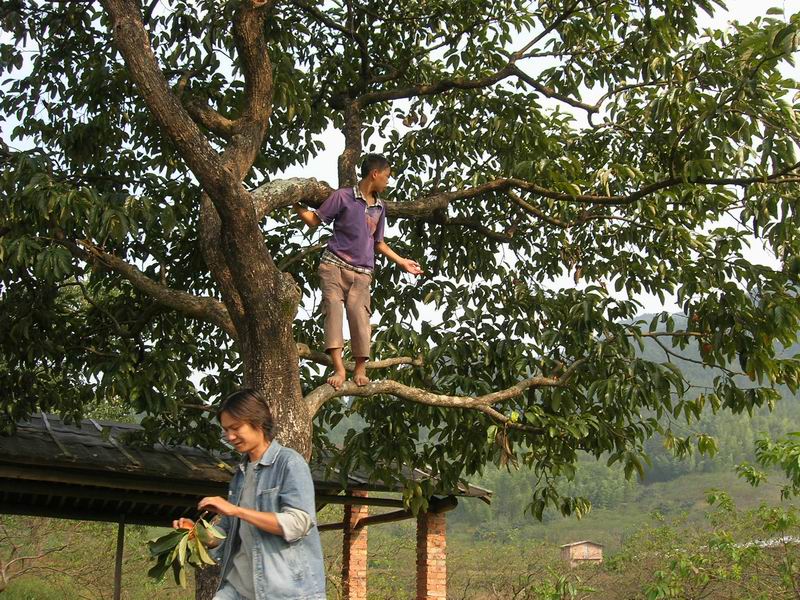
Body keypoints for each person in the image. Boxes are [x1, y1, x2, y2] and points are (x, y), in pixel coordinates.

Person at [173, 389, 326, 600]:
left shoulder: (289, 463)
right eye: (226, 430)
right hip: (239, 590)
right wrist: (195, 533)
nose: (230, 436)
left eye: (235, 428)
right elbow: (223, 535)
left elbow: (298, 523)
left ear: (259, 421)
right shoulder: (241, 474)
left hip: (286, 593)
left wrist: (236, 510)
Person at [293, 153, 423, 389]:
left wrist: (402, 262)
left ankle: (360, 369)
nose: (387, 181)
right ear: (375, 174)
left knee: (359, 315)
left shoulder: (379, 207)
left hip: (362, 271)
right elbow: (314, 220)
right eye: (387, 176)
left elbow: (379, 243)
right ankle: (339, 368)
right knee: (333, 308)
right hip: (334, 265)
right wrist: (293, 203)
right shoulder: (343, 196)